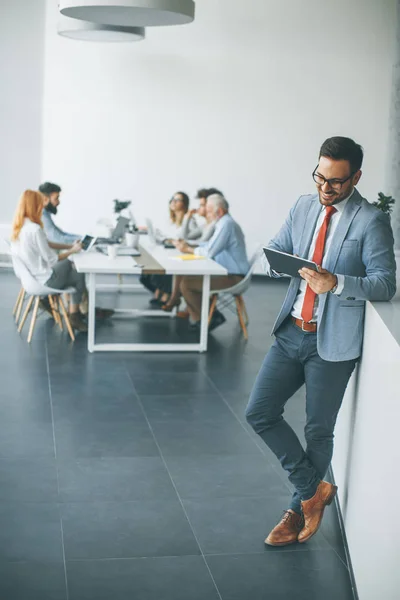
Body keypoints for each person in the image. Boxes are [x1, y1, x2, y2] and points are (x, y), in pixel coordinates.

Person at [245, 136, 396, 547]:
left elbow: (385, 283)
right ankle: (315, 490)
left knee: (318, 431)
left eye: (336, 182)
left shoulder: (370, 220)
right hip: (291, 331)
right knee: (259, 412)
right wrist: (280, 263)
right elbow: (275, 250)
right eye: (320, 177)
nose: (325, 189)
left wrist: (338, 282)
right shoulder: (302, 206)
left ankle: (296, 510)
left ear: (356, 177)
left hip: (333, 342)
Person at [11, 190, 88, 332]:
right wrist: (73, 251)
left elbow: (48, 244)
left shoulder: (20, 226)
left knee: (77, 273)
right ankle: (75, 316)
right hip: (44, 281)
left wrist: (70, 246)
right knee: (76, 267)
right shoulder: (35, 229)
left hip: (30, 279)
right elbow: (52, 260)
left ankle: (75, 315)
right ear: (35, 205)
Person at [176, 193, 250, 331]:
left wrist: (189, 249)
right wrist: (190, 247)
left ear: (220, 211)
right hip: (229, 272)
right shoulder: (223, 222)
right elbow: (209, 245)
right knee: (186, 279)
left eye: (209, 211)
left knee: (187, 284)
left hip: (234, 277)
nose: (207, 214)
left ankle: (209, 320)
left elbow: (210, 252)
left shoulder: (226, 224)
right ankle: (206, 317)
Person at [162, 187, 222, 313]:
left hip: (213, 266)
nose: (199, 208)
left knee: (182, 274)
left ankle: (188, 307)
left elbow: (204, 245)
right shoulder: (205, 225)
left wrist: (187, 246)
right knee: (179, 267)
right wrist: (187, 218)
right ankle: (185, 306)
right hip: (205, 260)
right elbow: (187, 237)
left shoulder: (215, 225)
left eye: (202, 205)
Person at [141, 191, 195, 306]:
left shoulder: (189, 221)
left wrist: (177, 241)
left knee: (160, 269)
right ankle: (161, 291)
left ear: (185, 204)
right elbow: (166, 235)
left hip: (181, 255)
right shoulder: (171, 220)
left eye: (177, 200)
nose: (173, 202)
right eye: (172, 199)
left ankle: (167, 294)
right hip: (170, 251)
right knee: (146, 273)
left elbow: (192, 240)